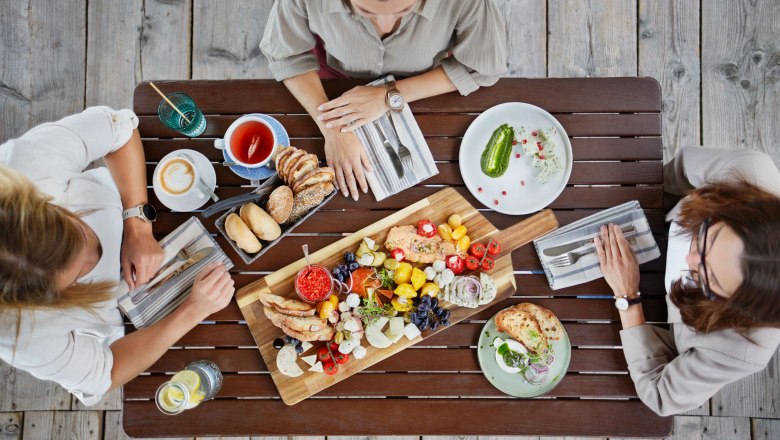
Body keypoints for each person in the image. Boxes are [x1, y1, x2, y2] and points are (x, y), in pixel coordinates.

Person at [0, 107, 235, 405]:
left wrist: (137, 226)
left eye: (77, 229)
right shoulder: (22, 337)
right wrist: (193, 310)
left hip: (133, 198)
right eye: (78, 273)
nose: (93, 255)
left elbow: (119, 133)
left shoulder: (22, 164)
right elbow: (107, 372)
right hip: (130, 324)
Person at [594, 146, 780, 416]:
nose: (692, 260)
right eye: (710, 236)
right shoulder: (748, 168)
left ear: (733, 306)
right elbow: (678, 173)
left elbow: (660, 395)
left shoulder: (746, 349)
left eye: (709, 278)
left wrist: (627, 296)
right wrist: (646, 211)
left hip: (646, 312)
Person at [260, 0, 507, 200]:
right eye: (364, 11)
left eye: (405, 10)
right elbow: (286, 54)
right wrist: (333, 126)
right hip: (334, 81)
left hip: (426, 84)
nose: (385, 25)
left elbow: (482, 67)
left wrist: (389, 94)